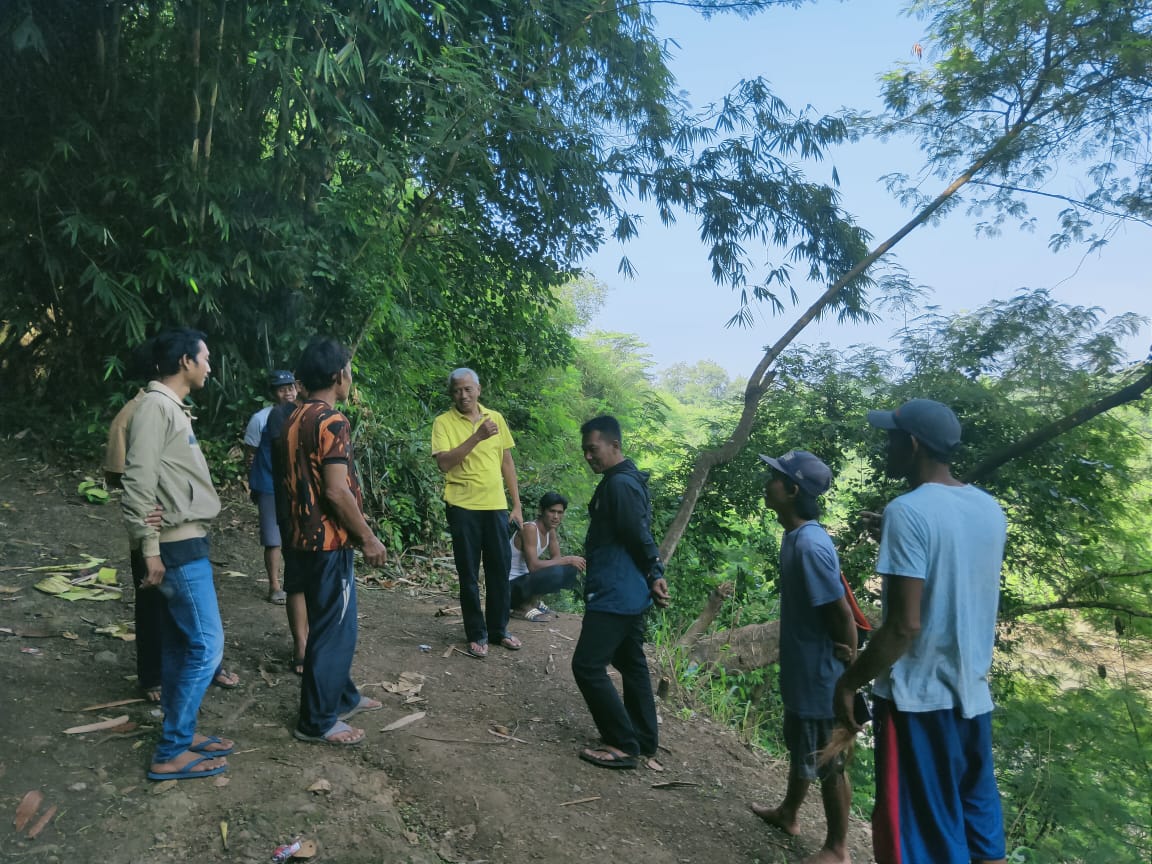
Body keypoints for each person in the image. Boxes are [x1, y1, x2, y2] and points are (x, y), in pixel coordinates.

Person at [834, 399, 1008, 864]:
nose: (885, 446)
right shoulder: (989, 509)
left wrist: (851, 681)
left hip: (919, 702)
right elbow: (954, 571)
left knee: (913, 843)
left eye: (891, 438)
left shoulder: (907, 511)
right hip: (972, 698)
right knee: (980, 836)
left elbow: (904, 626)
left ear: (912, 444)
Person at [120, 328, 233, 781]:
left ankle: (180, 736)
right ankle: (170, 750)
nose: (209, 366)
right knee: (208, 644)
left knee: (181, 644)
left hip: (183, 538)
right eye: (205, 358)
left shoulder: (169, 408)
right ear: (186, 361)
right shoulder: (154, 408)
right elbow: (137, 482)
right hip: (175, 544)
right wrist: (148, 550)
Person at [749, 451, 856, 864]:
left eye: (776, 476)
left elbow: (841, 613)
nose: (768, 480)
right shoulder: (795, 537)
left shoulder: (810, 546)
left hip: (820, 677)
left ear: (793, 490)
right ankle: (789, 813)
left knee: (829, 760)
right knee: (802, 745)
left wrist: (848, 670)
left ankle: (838, 849)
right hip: (803, 671)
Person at [279, 338, 387, 746]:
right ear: (340, 376)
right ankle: (318, 721)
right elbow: (337, 492)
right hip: (328, 543)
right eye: (349, 370)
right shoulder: (333, 422)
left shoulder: (291, 417)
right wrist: (368, 538)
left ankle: (343, 697)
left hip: (298, 538)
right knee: (335, 630)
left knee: (329, 623)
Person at [572, 415, 669, 770]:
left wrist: (654, 570)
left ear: (615, 446)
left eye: (593, 449)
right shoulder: (625, 481)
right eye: (584, 450)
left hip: (616, 591)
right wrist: (652, 575)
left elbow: (636, 533)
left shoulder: (619, 486)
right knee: (631, 663)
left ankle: (624, 744)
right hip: (629, 591)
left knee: (587, 666)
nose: (588, 457)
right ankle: (643, 739)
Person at [430, 368, 524, 658]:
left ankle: (499, 630)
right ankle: (476, 633)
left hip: (495, 506)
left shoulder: (495, 418)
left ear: (479, 390)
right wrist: (477, 436)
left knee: (499, 570)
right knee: (468, 573)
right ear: (451, 393)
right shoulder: (443, 422)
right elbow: (444, 463)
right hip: (462, 506)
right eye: (458, 390)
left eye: (468, 389)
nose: (463, 395)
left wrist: (517, 504)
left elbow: (506, 462)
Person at [263, 380, 309, 675]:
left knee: (319, 584)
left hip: (322, 516)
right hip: (292, 509)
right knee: (297, 580)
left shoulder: (328, 413)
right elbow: (285, 451)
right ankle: (301, 646)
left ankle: (315, 642)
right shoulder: (281, 415)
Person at [244, 370, 298, 604]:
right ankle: (275, 586)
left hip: (295, 486)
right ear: (273, 393)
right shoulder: (260, 418)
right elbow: (250, 455)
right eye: (281, 389)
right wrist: (254, 484)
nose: (288, 393)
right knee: (273, 538)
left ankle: (294, 583)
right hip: (268, 484)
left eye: (290, 388)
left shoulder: (301, 414)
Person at [509, 492, 585, 621]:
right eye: (552, 511)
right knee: (561, 567)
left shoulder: (551, 531)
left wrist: (568, 562)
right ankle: (522, 607)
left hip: (524, 583)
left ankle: (533, 602)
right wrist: (568, 559)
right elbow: (533, 566)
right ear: (541, 510)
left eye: (560, 512)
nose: (556, 517)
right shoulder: (530, 529)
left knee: (569, 568)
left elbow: (557, 560)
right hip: (509, 587)